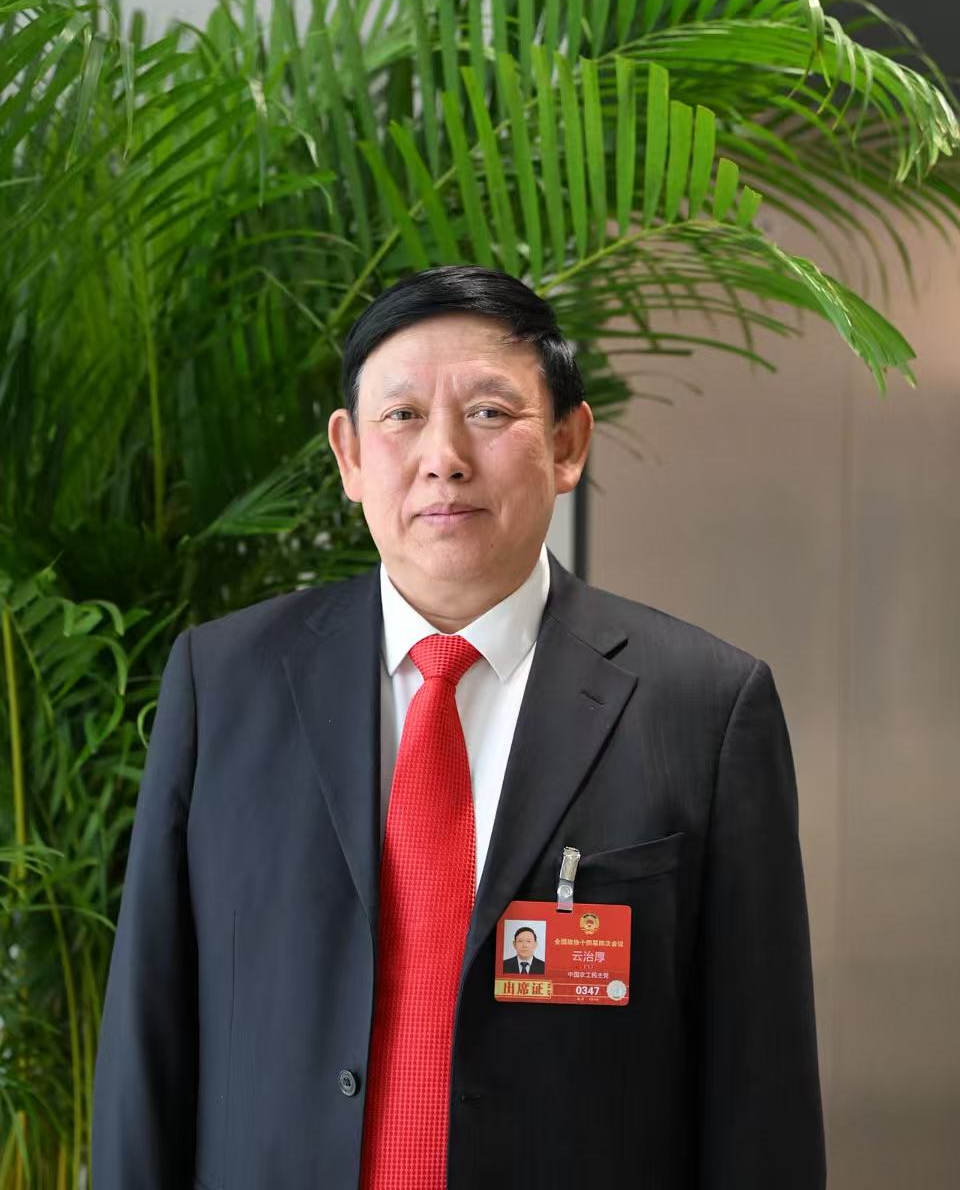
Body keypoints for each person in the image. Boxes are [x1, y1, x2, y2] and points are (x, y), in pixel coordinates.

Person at [91, 264, 826, 1188]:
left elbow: (761, 1096)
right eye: (402, 416)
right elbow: (147, 1045)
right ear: (350, 456)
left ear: (568, 443)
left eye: (488, 412)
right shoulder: (224, 684)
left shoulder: (705, 707)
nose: (443, 457)